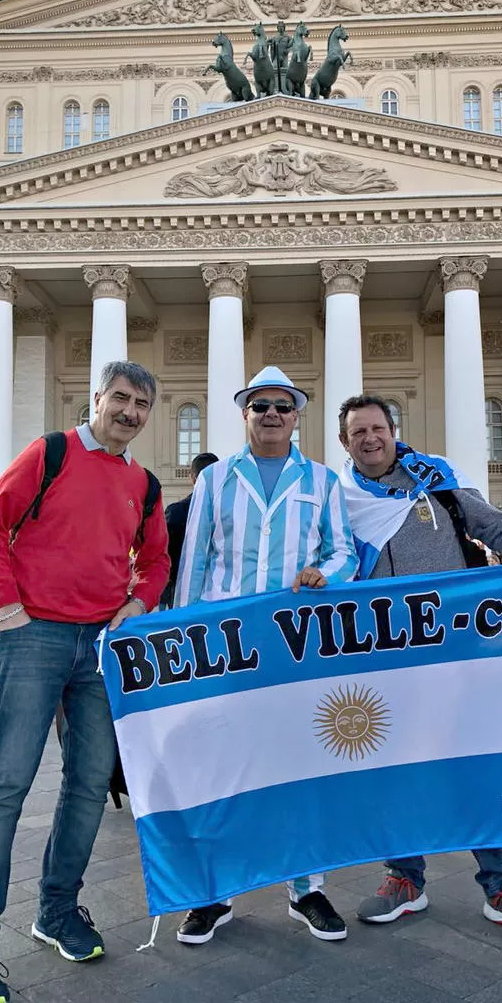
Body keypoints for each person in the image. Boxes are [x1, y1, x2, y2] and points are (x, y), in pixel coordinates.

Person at [0, 360, 170, 1003]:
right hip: (33, 635)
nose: (129, 412)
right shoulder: (53, 452)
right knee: (5, 783)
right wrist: (6, 606)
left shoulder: (143, 485)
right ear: (97, 399)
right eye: (120, 398)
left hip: (100, 646)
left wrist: (139, 604)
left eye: (141, 405)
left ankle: (57, 909)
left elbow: (155, 561)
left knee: (91, 783)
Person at [337, 394, 502, 945]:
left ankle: (500, 884)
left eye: (377, 428)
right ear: (345, 442)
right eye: (357, 431)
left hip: (456, 653)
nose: (369, 438)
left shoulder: (437, 484)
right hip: (384, 660)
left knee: (477, 762)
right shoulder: (337, 499)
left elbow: (499, 528)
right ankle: (404, 878)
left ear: (393, 430)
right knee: (395, 770)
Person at [174, 365, 359, 946]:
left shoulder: (323, 481)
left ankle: (306, 888)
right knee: (221, 766)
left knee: (298, 765)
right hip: (228, 644)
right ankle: (214, 892)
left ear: (297, 416)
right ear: (246, 413)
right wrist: (185, 637)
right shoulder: (216, 481)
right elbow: (195, 563)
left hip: (294, 643)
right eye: (261, 406)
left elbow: (344, 552)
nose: (272, 414)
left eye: (283, 406)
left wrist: (322, 574)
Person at [159, 451, 218, 609]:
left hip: (180, 587)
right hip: (219, 591)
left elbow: (163, 552)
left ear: (192, 477)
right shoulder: (231, 510)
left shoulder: (176, 511)